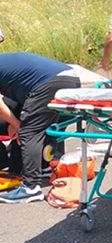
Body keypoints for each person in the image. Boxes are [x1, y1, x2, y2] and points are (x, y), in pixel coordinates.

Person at [0, 53, 81, 203]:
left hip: (50, 82)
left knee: (29, 132)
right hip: (70, 78)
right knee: (43, 123)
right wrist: (15, 122)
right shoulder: (5, 63)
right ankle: (44, 168)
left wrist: (17, 125)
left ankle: (30, 189)